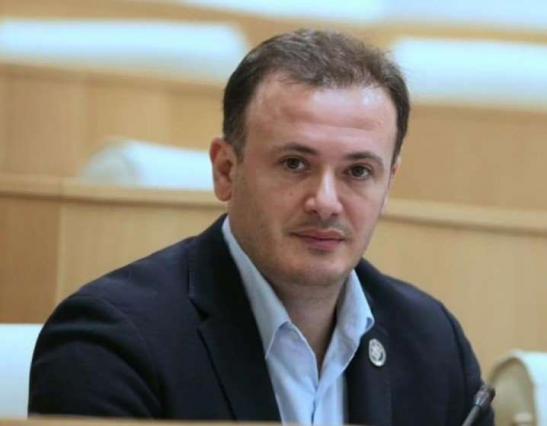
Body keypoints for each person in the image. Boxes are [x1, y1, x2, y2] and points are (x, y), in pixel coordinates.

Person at [29, 29, 494, 426]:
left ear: (388, 183)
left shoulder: (431, 342)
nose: (326, 202)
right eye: (295, 164)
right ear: (226, 170)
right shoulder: (112, 341)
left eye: (358, 172)